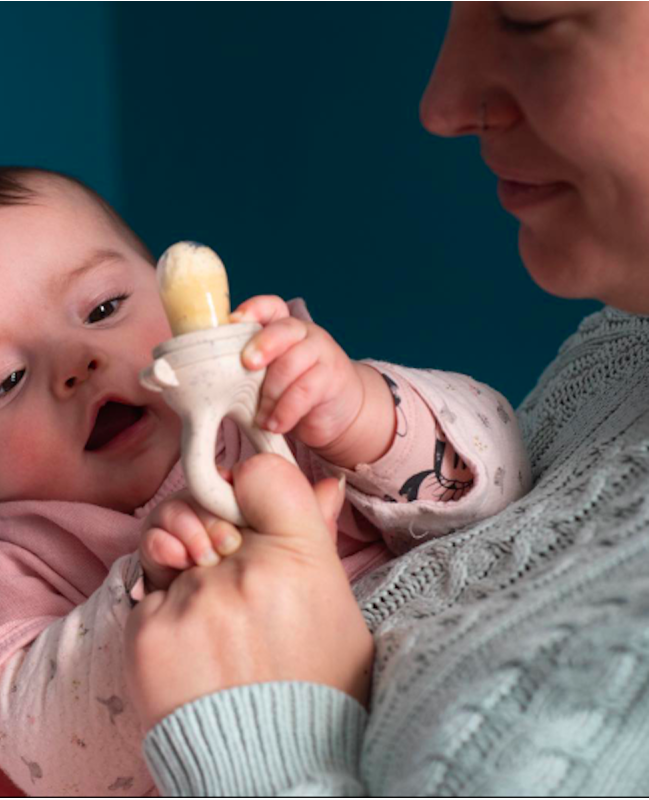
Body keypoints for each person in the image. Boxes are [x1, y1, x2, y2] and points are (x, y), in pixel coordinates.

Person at [0, 166, 528, 796]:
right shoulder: (23, 555)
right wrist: (155, 593)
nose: (77, 362)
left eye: (103, 308)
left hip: (450, 712)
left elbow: (500, 473)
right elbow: (31, 757)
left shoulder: (281, 392)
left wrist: (364, 414)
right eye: (5, 381)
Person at [122, 2, 649, 795]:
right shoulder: (623, 346)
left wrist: (252, 739)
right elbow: (498, 493)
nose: (440, 105)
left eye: (529, 15)